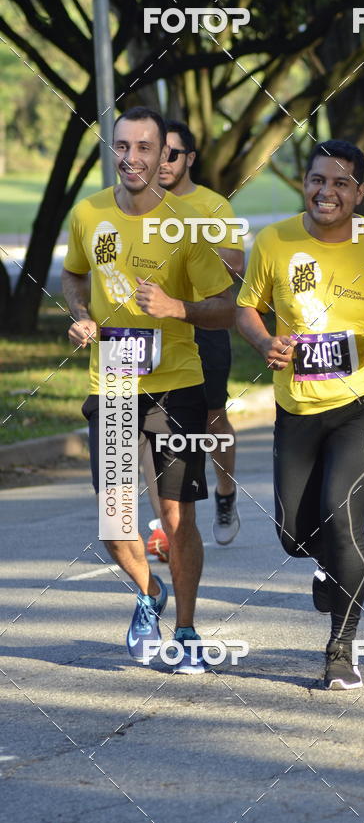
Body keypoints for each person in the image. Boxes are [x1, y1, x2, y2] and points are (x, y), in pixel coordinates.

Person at [236, 139, 364, 690]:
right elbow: (249, 306)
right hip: (297, 403)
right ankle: (328, 565)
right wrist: (263, 340)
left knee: (341, 517)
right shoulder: (273, 240)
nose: (328, 192)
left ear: (360, 194)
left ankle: (341, 648)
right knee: (293, 535)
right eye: (319, 180)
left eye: (342, 183)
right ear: (305, 183)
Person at [62, 106, 233, 673]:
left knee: (176, 515)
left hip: (176, 385)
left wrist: (176, 307)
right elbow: (74, 273)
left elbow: (225, 307)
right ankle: (148, 593)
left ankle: (185, 630)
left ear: (165, 157)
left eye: (144, 148)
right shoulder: (88, 214)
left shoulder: (188, 224)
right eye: (122, 146)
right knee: (114, 522)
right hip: (110, 381)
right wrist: (82, 313)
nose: (132, 158)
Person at [152, 119, 245, 546]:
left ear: (190, 158)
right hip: (149, 331)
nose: (163, 161)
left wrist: (188, 244)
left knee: (210, 418)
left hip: (201, 321)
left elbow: (235, 264)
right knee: (154, 422)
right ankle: (167, 523)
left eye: (173, 153)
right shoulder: (136, 204)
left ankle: (225, 492)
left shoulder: (212, 206)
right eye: (157, 152)